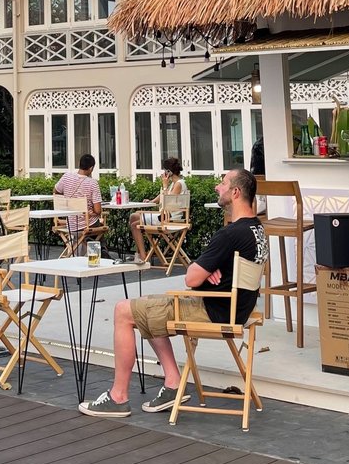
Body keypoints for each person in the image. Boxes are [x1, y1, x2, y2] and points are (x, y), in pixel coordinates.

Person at [79, 168, 267, 418]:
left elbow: (191, 278)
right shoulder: (257, 230)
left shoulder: (230, 234)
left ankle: (118, 397)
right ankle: (172, 382)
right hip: (235, 309)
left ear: (235, 192)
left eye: (223, 183)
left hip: (212, 310)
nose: (217, 187)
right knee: (147, 305)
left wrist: (201, 271)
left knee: (123, 311)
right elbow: (206, 274)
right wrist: (208, 270)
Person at [128, 157, 188, 263]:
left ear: (169, 172)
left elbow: (167, 202)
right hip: (167, 216)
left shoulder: (178, 184)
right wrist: (151, 201)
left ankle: (143, 256)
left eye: (164, 170)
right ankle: (140, 253)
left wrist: (164, 185)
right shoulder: (175, 183)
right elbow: (162, 196)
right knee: (134, 216)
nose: (163, 173)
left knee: (134, 224)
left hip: (169, 219)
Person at [53, 153, 104, 238]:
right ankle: (98, 246)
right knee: (100, 227)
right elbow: (98, 210)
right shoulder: (93, 183)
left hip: (71, 225)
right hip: (88, 225)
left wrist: (68, 198)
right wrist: (93, 211)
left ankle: (76, 245)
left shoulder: (66, 177)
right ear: (91, 168)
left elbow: (55, 191)